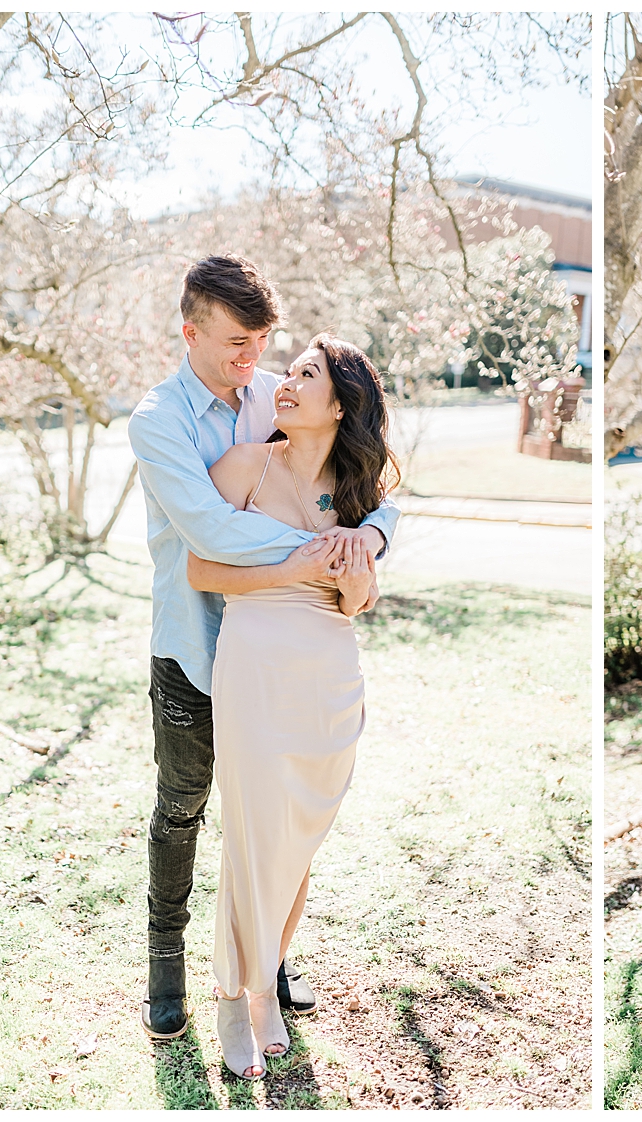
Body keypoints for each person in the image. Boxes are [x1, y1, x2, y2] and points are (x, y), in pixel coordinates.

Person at [128, 255, 399, 1045]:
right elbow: (208, 536)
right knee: (183, 811)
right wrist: (320, 549)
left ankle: (267, 967)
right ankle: (167, 968)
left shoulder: (279, 393)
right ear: (192, 333)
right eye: (239, 343)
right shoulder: (159, 421)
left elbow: (361, 470)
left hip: (285, 658)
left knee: (280, 817)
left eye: (264, 342)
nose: (256, 361)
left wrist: (370, 534)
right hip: (193, 640)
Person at [187, 334, 394, 1079]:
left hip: (329, 675)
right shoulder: (246, 466)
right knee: (252, 833)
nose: (288, 382)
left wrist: (350, 563)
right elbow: (201, 565)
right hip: (256, 665)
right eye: (291, 371)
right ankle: (236, 1001)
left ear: (338, 404)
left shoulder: (357, 493)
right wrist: (291, 562)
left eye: (307, 375)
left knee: (297, 839)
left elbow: (360, 603)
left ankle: (266, 983)